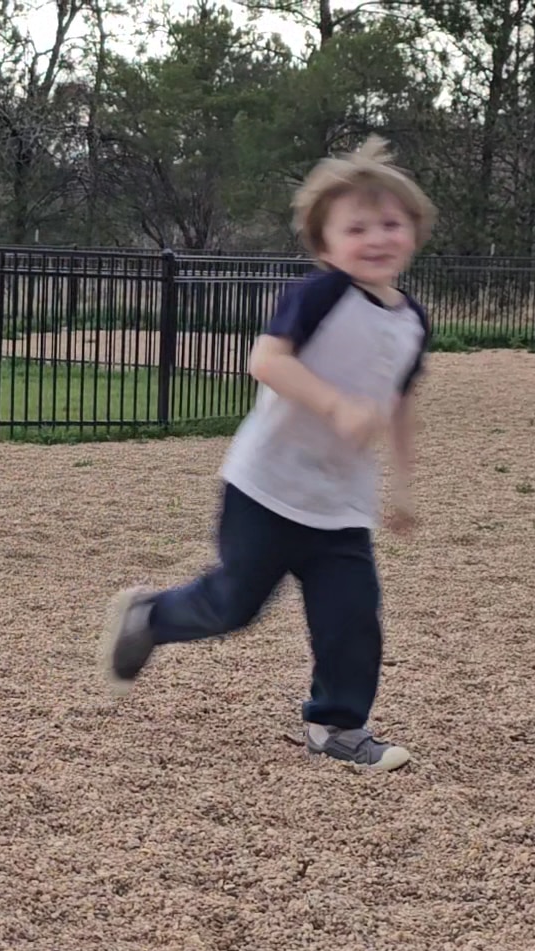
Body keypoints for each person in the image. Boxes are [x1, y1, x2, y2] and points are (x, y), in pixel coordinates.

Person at [96, 136, 436, 772]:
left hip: (340, 505)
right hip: (266, 488)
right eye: (356, 226)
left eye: (391, 223)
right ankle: (150, 615)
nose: (376, 237)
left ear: (414, 232)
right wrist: (334, 405)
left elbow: (400, 403)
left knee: (353, 617)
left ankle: (338, 725)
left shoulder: (412, 321)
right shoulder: (319, 296)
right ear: (325, 244)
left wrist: (406, 486)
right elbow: (265, 360)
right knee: (233, 605)